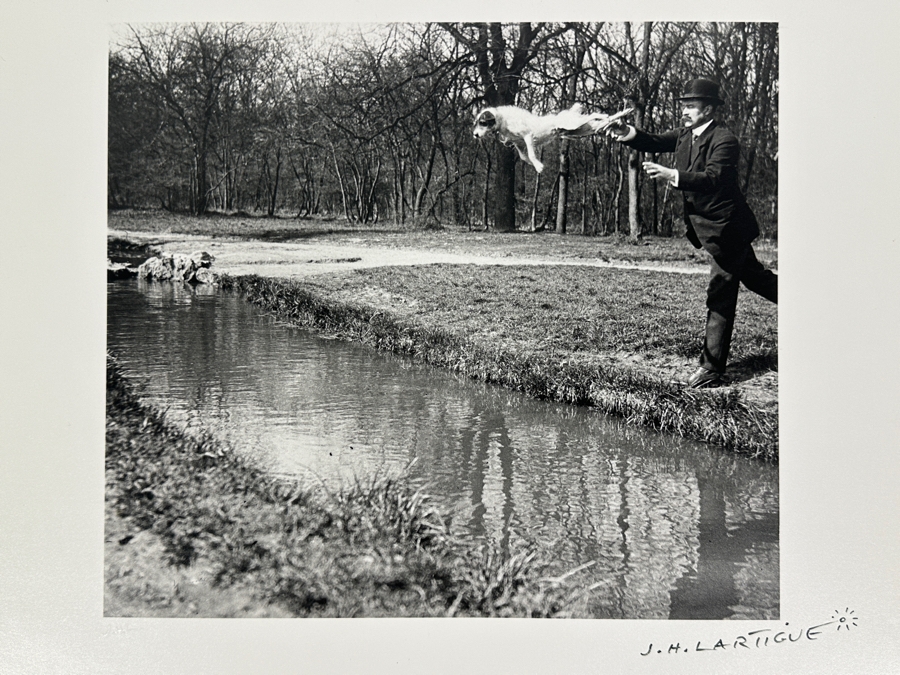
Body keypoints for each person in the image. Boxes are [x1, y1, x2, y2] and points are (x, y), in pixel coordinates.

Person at [606, 77, 777, 388]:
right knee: (756, 279)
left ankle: (711, 368)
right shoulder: (687, 134)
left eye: (690, 106)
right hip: (710, 229)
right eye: (683, 106)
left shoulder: (725, 140)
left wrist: (673, 175)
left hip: (728, 229)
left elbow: (714, 179)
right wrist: (625, 132)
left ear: (708, 109)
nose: (683, 111)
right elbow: (654, 141)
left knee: (721, 294)